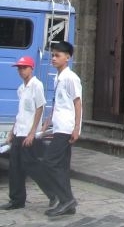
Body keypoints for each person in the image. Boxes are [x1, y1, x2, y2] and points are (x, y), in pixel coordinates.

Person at [27, 41, 82, 217]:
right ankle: (68, 204)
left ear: (68, 57)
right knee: (62, 166)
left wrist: (77, 128)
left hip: (66, 128)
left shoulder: (70, 78)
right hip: (58, 127)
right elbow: (58, 103)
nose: (53, 58)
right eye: (52, 55)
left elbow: (78, 103)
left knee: (49, 162)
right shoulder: (58, 78)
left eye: (57, 55)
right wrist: (47, 123)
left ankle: (66, 199)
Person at [2, 56, 46, 210]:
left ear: (31, 68)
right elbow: (20, 113)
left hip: (29, 134)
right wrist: (12, 131)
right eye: (19, 68)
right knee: (14, 168)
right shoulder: (21, 89)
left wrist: (33, 132)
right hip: (19, 132)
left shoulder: (37, 85)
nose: (21, 71)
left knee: (33, 167)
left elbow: (40, 108)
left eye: (24, 68)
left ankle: (55, 195)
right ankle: (16, 200)